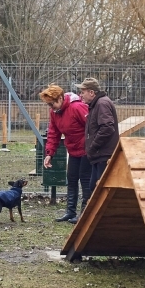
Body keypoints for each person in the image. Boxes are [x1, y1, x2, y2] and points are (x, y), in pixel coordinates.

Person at [38, 84, 91, 223]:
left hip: (87, 150)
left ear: (61, 98)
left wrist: (91, 145)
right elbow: (53, 133)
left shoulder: (77, 107)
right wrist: (49, 153)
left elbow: (92, 125)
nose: (51, 107)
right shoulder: (55, 113)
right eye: (49, 105)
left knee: (85, 180)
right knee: (72, 179)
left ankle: (85, 214)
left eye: (53, 103)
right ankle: (70, 211)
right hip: (73, 150)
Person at [76, 77, 120, 221]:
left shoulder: (101, 104)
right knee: (93, 186)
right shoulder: (97, 104)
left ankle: (102, 219)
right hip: (98, 154)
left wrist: (93, 145)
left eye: (82, 92)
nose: (80, 95)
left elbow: (107, 128)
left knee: (99, 189)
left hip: (103, 154)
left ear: (91, 92)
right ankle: (96, 219)